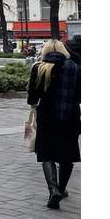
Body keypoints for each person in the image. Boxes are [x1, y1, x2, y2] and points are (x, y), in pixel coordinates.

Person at [26, 39, 80, 209]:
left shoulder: (39, 67)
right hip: (70, 117)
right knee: (67, 155)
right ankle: (62, 189)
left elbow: (32, 97)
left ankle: (53, 190)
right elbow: (80, 96)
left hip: (47, 117)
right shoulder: (75, 68)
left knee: (47, 154)